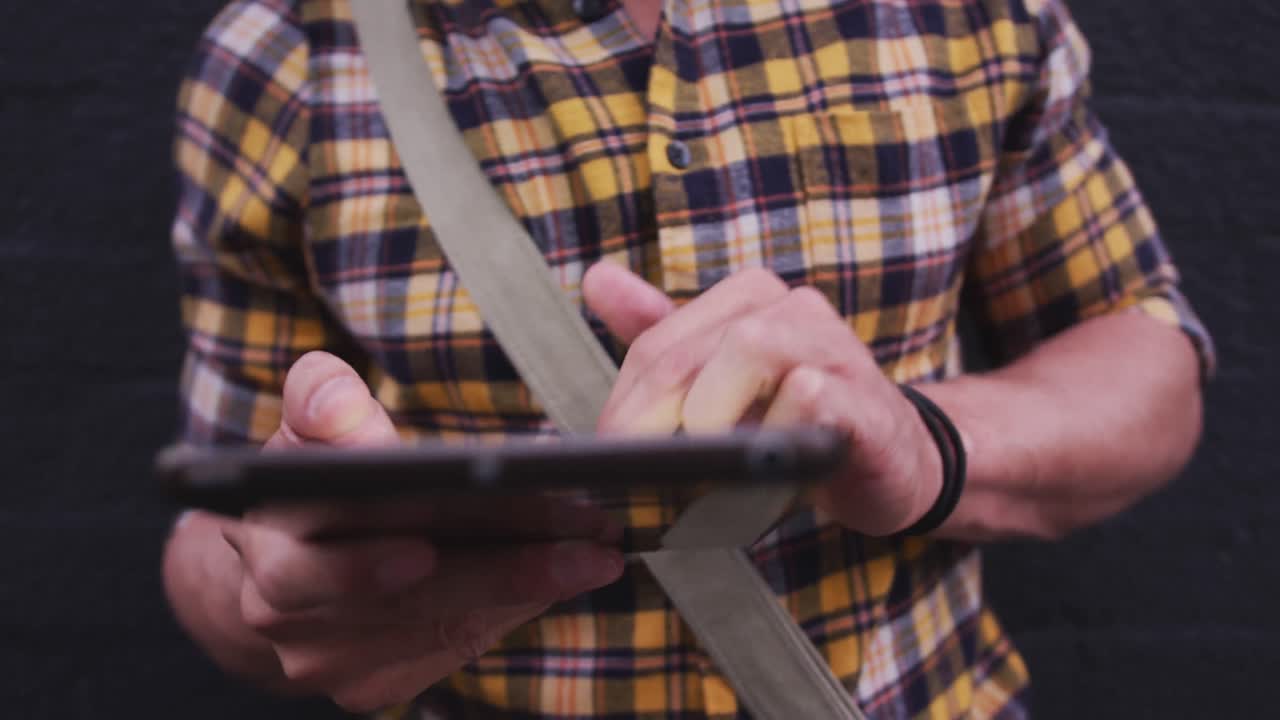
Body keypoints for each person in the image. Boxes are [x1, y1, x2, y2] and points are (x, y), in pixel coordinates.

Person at [161, 0, 1214, 716]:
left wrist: (927, 442)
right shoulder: (284, 54)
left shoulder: (968, 12)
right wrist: (280, 587)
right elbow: (213, 531)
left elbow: (1142, 351)